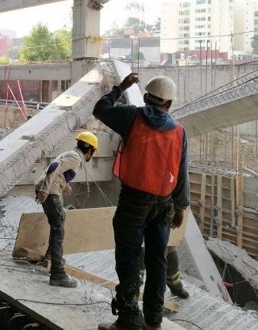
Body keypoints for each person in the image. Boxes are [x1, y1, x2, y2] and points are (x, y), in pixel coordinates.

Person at [94, 73, 189, 330]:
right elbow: (181, 172)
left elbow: (100, 109)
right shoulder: (180, 131)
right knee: (157, 260)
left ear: (146, 97)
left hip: (134, 202)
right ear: (169, 104)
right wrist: (181, 207)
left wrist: (121, 88)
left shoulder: (131, 117)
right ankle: (153, 320)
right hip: (165, 204)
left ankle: (127, 319)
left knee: (129, 259)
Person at [34, 131, 99, 288]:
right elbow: (54, 167)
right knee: (59, 229)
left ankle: (50, 258)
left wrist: (65, 186)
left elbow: (58, 172)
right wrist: (45, 189)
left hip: (50, 189)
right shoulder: (76, 158)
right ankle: (58, 273)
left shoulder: (70, 153)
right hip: (50, 192)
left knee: (57, 223)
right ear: (90, 150)